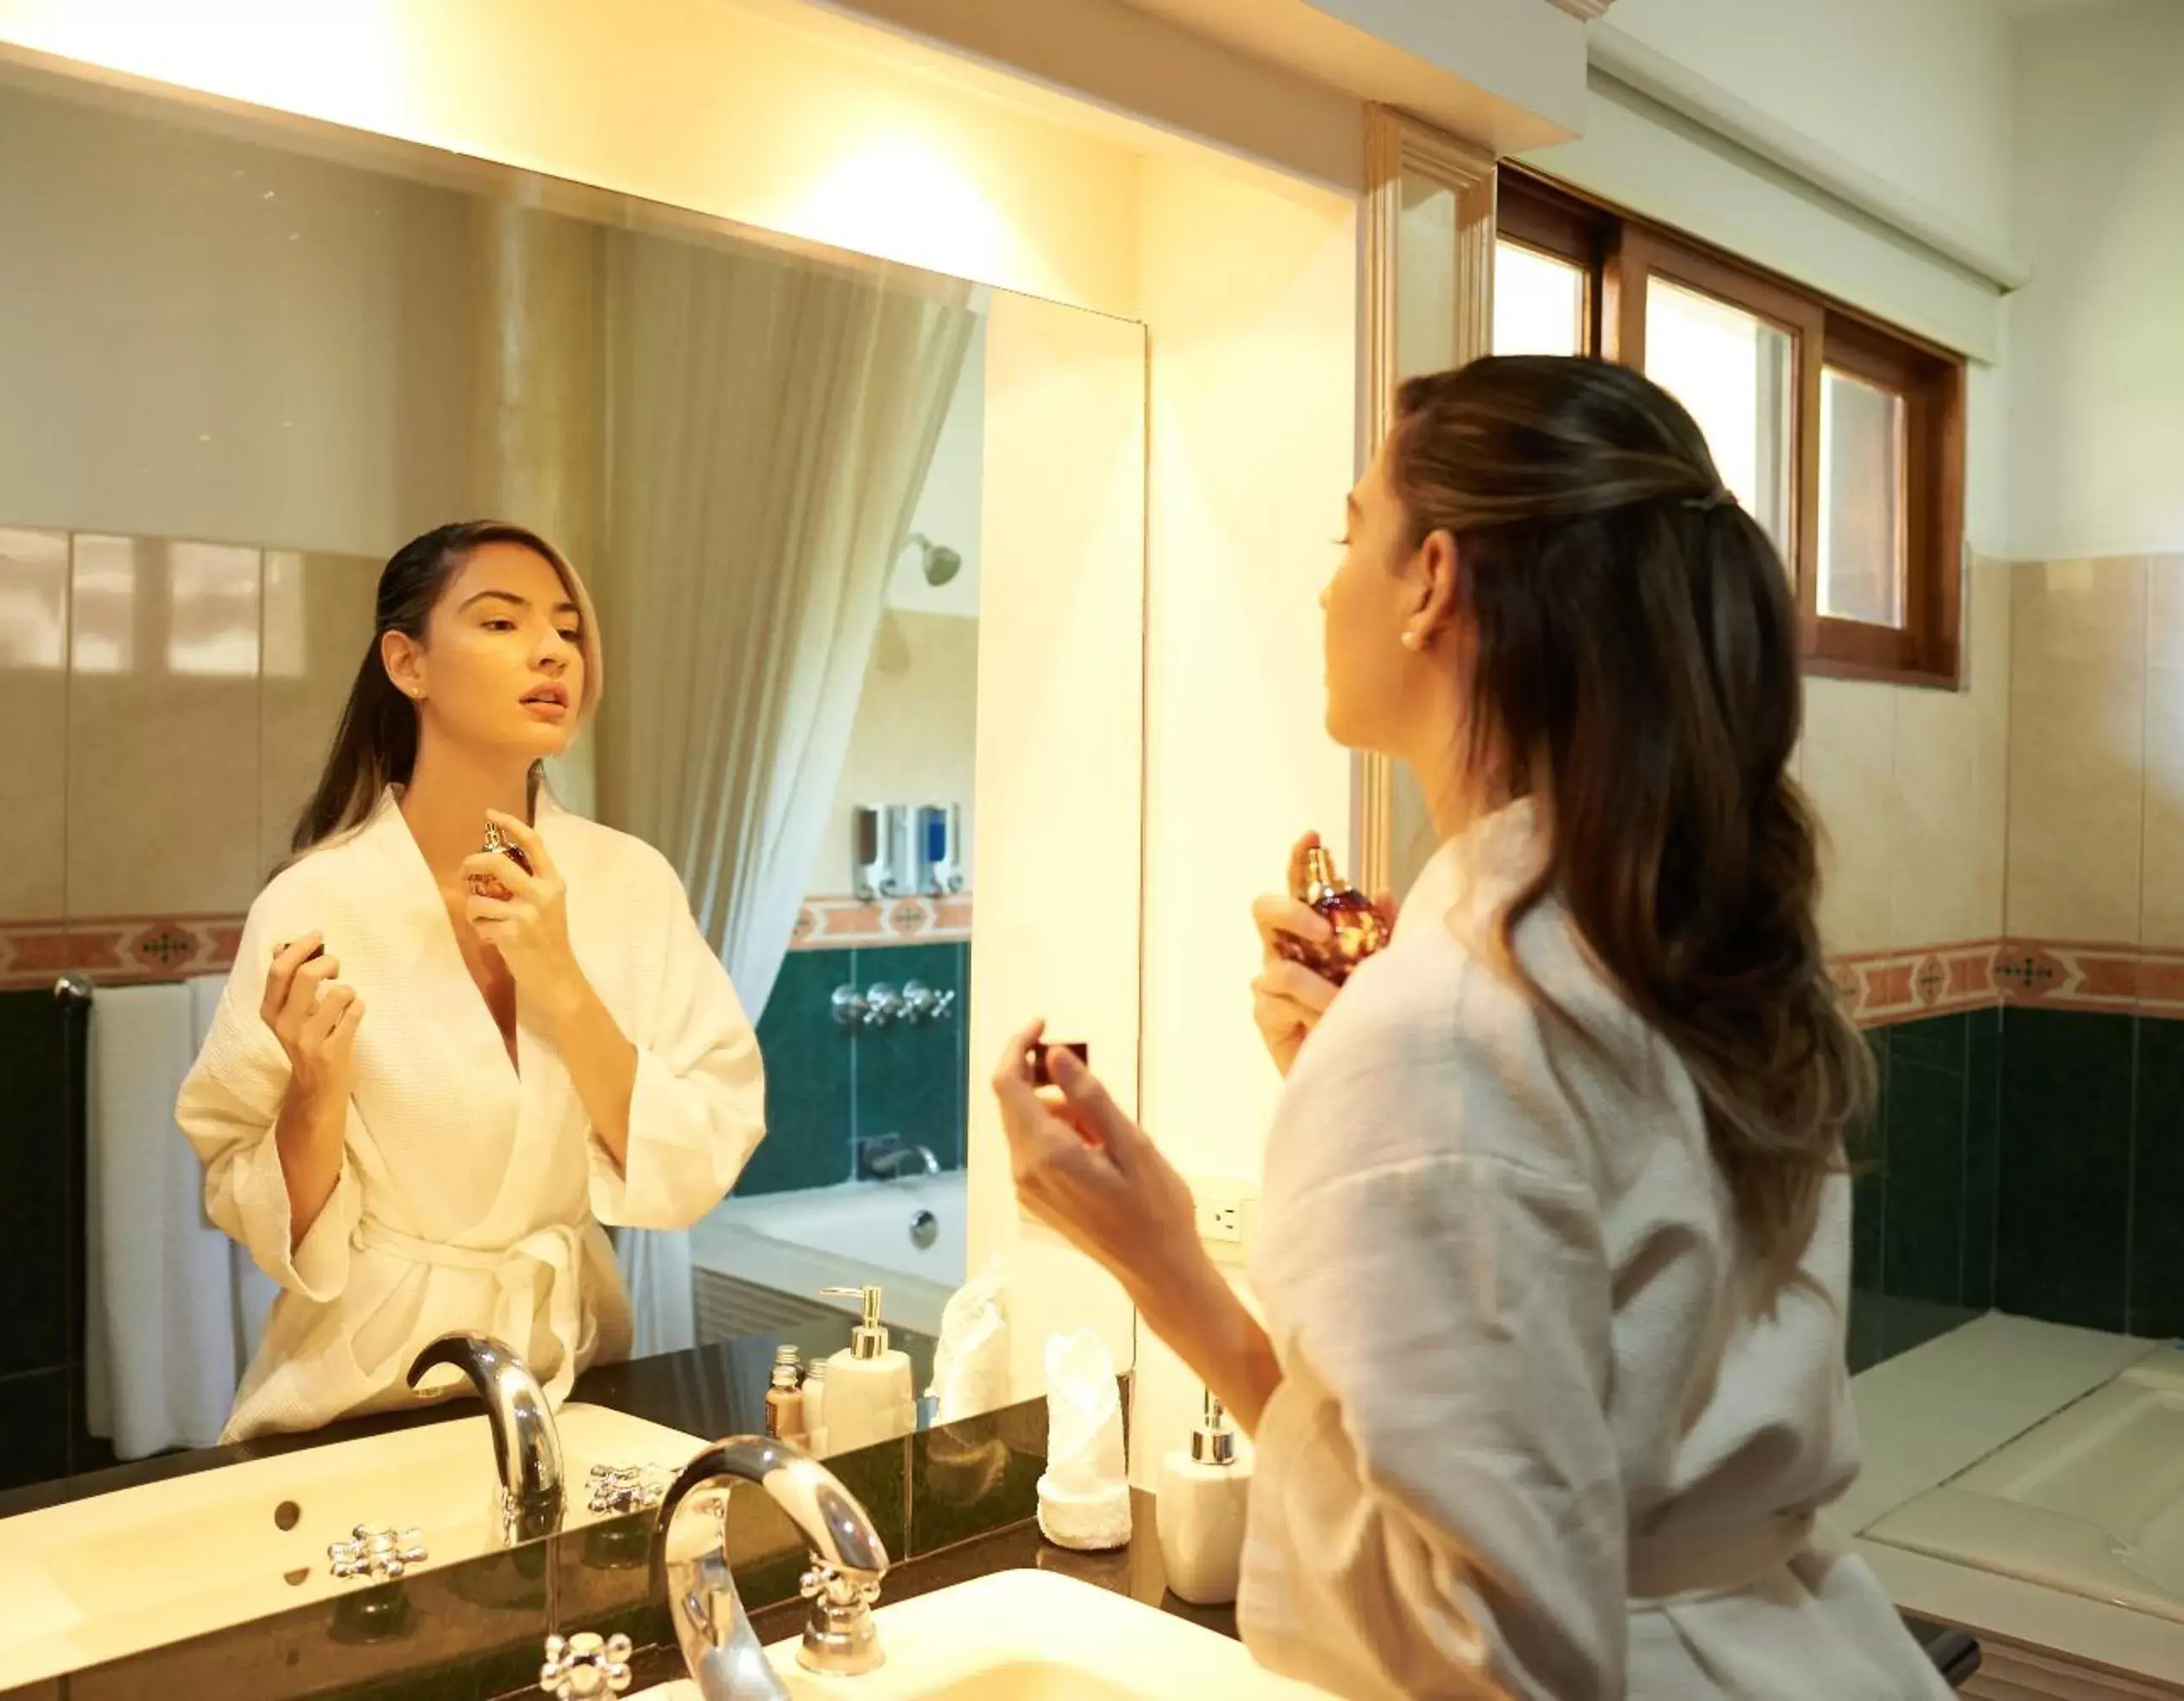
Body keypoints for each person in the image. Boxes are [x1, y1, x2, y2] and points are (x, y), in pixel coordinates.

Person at [994, 357, 1945, 1698]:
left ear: (1432, 580)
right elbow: (1524, 1477)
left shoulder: (1443, 1028)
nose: (1326, 583)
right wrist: (1346, 1107)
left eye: (1348, 532)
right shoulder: (1671, 952)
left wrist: (1166, 1263)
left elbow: (1476, 1650)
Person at [179, 519, 765, 1442]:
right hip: (357, 1393)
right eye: (501, 624)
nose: (551, 652)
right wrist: (316, 1097)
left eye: (568, 630)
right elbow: (241, 1189)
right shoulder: (317, 904)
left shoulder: (629, 883)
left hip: (569, 1378)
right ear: (408, 664)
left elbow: (704, 1149)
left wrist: (561, 981)